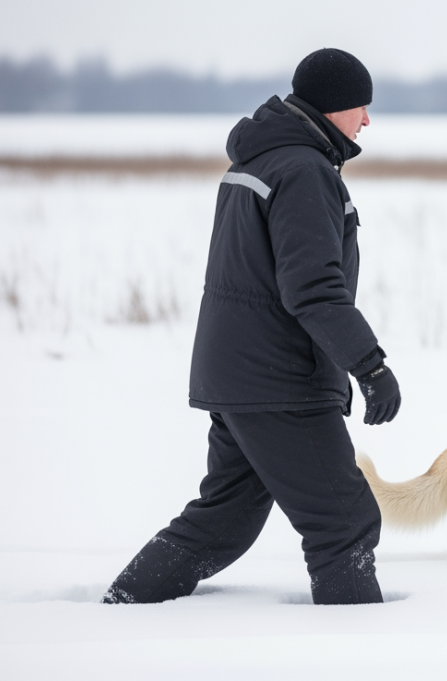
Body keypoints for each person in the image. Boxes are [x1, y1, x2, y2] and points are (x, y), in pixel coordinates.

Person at [102, 48, 400, 605]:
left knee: (226, 519)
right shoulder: (304, 170)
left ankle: (124, 605)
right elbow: (312, 290)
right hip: (279, 379)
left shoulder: (259, 161)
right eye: (361, 106)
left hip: (240, 373)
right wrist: (370, 365)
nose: (366, 120)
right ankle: (361, 645)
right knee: (345, 520)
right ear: (334, 106)